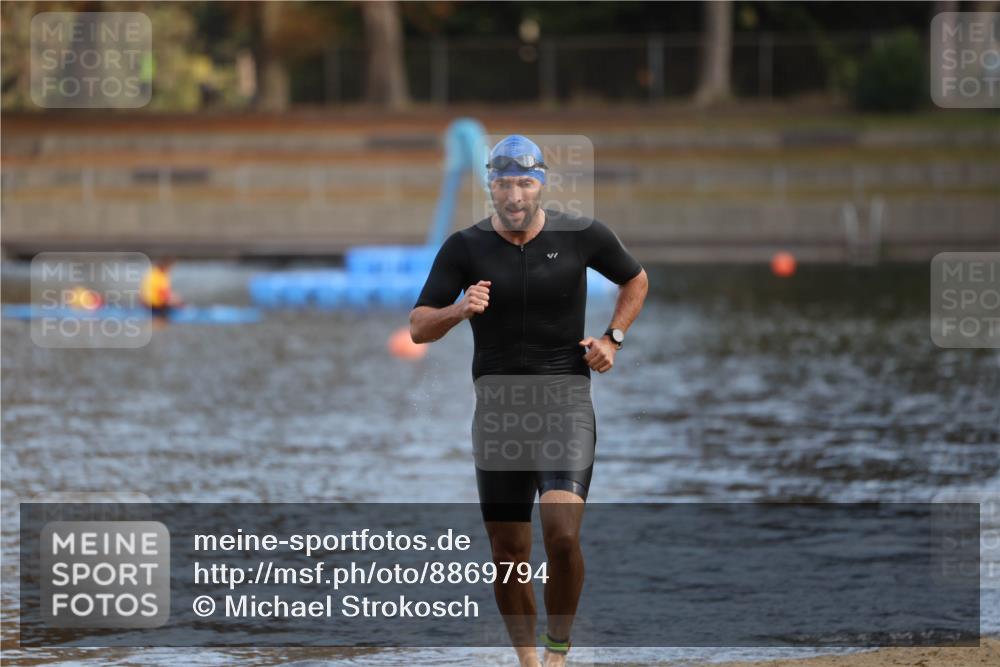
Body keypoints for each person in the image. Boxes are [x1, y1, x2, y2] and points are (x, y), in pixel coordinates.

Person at [409, 135, 648, 667]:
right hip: (497, 413)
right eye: (503, 183)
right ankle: (528, 662)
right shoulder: (465, 248)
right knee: (508, 555)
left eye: (524, 182)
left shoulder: (582, 234)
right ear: (490, 186)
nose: (514, 194)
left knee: (561, 537)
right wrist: (459, 310)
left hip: (565, 402)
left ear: (541, 183)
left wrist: (613, 338)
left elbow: (635, 280)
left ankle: (557, 655)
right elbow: (418, 327)